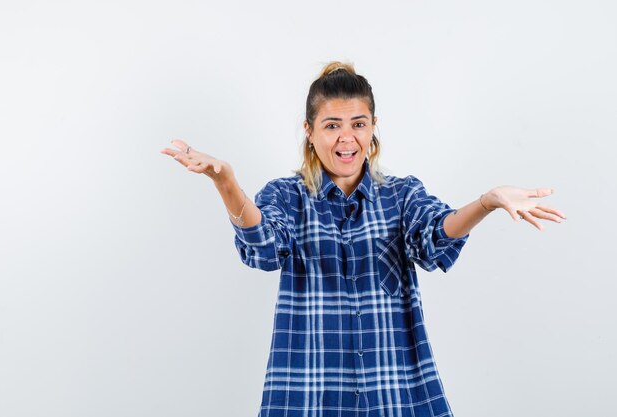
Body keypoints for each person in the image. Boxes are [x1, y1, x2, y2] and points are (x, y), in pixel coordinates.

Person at [160, 62, 566, 417]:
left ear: (372, 128)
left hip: (396, 395)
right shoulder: (286, 195)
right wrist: (226, 182)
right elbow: (264, 248)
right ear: (309, 130)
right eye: (332, 125)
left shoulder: (402, 194)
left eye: (358, 124)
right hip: (308, 395)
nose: (347, 139)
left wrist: (487, 202)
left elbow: (434, 239)